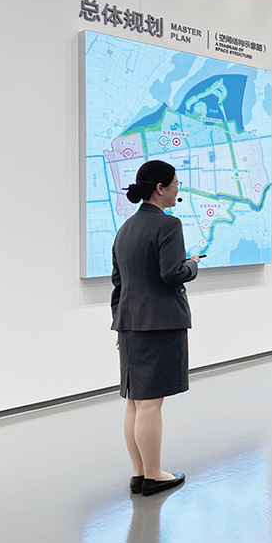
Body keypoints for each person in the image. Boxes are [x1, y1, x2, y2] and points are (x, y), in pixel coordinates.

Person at [111, 160, 200, 497]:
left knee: (135, 402)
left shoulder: (125, 229)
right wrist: (192, 265)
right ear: (160, 188)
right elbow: (171, 273)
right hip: (160, 324)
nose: (178, 189)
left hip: (130, 324)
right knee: (150, 404)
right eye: (175, 184)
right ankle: (154, 475)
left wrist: (120, 323)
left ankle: (139, 473)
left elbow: (118, 282)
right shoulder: (168, 225)